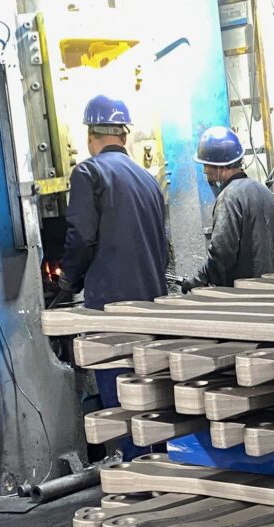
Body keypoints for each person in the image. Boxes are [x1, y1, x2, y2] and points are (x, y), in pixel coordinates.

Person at [59, 94, 168, 433]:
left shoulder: (88, 172)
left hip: (111, 313)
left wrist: (67, 280)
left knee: (121, 405)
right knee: (149, 402)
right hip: (152, 310)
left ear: (90, 136)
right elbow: (163, 245)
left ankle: (132, 462)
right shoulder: (148, 179)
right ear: (123, 135)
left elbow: (81, 236)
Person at [183, 126, 274, 289]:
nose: (205, 170)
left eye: (207, 164)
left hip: (245, 295)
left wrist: (199, 279)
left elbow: (222, 254)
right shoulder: (267, 194)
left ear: (221, 166)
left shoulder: (228, 198)